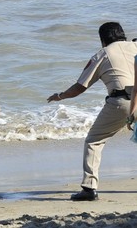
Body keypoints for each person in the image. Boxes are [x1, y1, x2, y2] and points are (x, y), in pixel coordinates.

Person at [47, 22, 137, 201]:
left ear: (103, 40)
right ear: (123, 34)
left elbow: (80, 87)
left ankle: (89, 188)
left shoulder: (102, 54)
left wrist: (60, 96)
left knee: (94, 141)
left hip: (122, 102)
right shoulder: (135, 46)